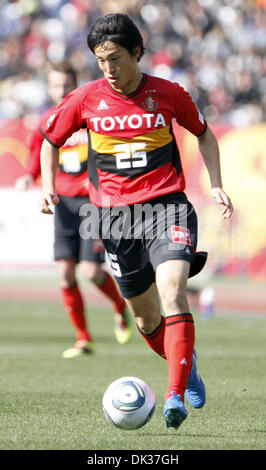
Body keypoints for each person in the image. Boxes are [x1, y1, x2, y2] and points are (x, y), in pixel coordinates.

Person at [38, 14, 233, 429]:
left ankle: (174, 394)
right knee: (146, 320)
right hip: (113, 219)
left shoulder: (167, 94)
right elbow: (50, 140)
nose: (108, 69)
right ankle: (187, 365)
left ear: (137, 53)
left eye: (115, 58)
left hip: (166, 207)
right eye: (100, 60)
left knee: (173, 291)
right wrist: (48, 186)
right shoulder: (85, 98)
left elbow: (204, 133)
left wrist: (215, 183)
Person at [15, 60, 132, 359]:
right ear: (49, 87)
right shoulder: (47, 120)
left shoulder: (91, 115)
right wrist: (31, 175)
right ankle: (83, 338)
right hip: (62, 203)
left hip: (91, 202)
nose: (60, 90)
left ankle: (119, 305)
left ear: (75, 84)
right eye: (55, 85)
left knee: (91, 271)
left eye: (65, 84)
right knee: (65, 275)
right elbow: (39, 154)